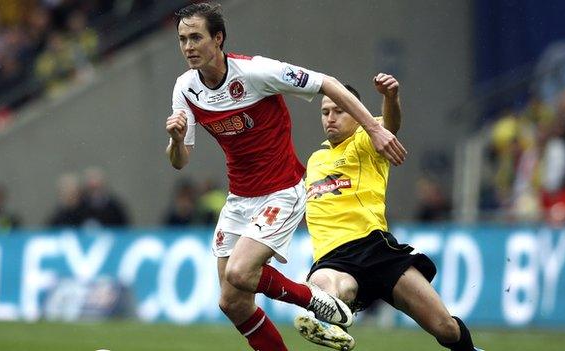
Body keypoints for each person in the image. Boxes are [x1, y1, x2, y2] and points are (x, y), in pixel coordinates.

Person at [165, 3, 407, 351]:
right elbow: (180, 161)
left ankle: (312, 298)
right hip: (239, 199)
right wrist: (175, 139)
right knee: (231, 302)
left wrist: (374, 128)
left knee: (240, 273)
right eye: (183, 39)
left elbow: (329, 84)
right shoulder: (186, 88)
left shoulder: (256, 72)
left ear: (217, 39)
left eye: (196, 37)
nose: (188, 46)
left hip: (281, 191)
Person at [294, 75, 484, 351]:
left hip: (376, 250)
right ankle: (326, 321)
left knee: (446, 327)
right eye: (325, 112)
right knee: (323, 285)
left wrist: (390, 98)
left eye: (339, 111)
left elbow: (390, 125)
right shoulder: (315, 160)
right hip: (333, 258)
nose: (330, 118)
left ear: (357, 114)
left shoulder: (366, 138)